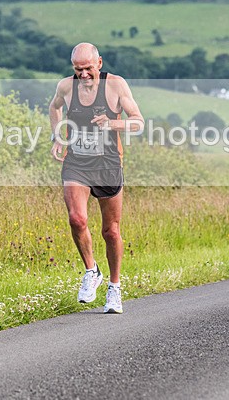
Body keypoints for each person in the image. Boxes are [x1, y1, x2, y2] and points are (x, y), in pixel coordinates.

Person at [49, 42, 144, 314]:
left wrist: (113, 123)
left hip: (108, 164)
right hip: (77, 163)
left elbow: (138, 121)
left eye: (89, 68)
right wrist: (58, 136)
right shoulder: (66, 87)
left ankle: (114, 287)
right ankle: (92, 270)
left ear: (99, 64)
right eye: (79, 69)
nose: (84, 74)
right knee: (77, 219)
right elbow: (54, 108)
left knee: (110, 231)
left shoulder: (116, 85)